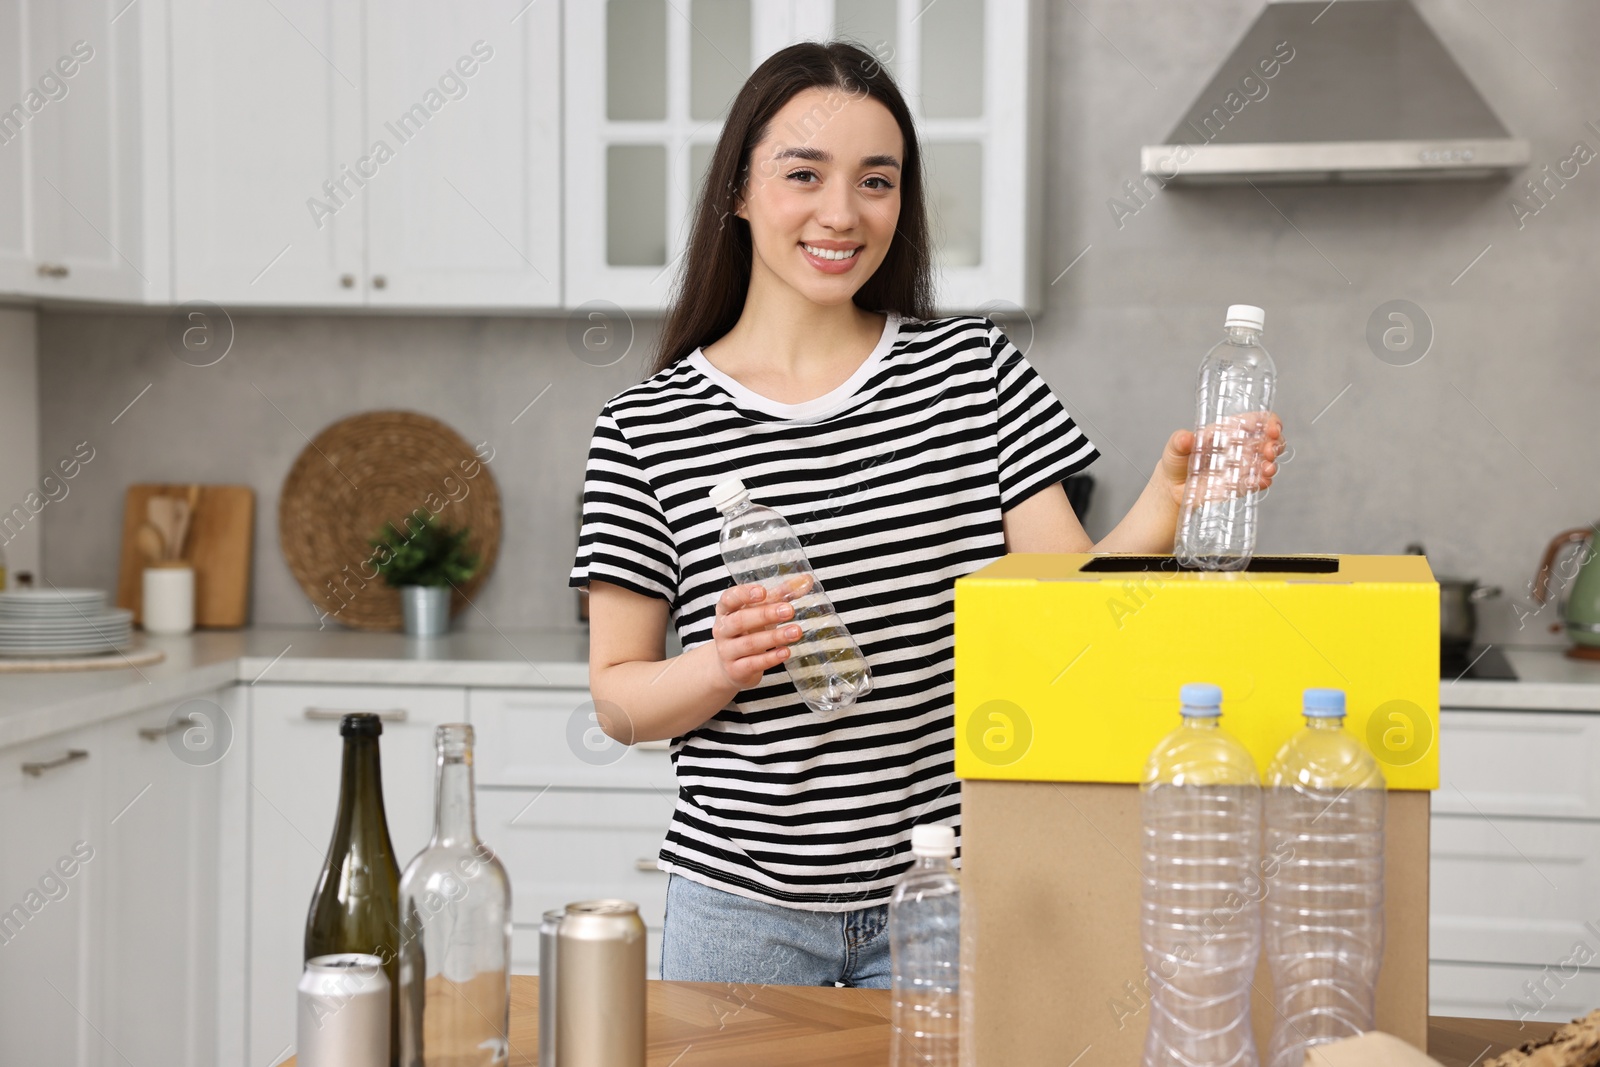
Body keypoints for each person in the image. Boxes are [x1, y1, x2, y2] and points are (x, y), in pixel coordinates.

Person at [567, 39, 1284, 989]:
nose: (842, 212)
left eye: (877, 180)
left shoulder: (974, 374)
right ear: (736, 193)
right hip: (739, 909)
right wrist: (714, 665)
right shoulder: (645, 429)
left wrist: (1168, 501)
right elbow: (616, 697)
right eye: (803, 175)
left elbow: (1066, 613)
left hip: (945, 894)